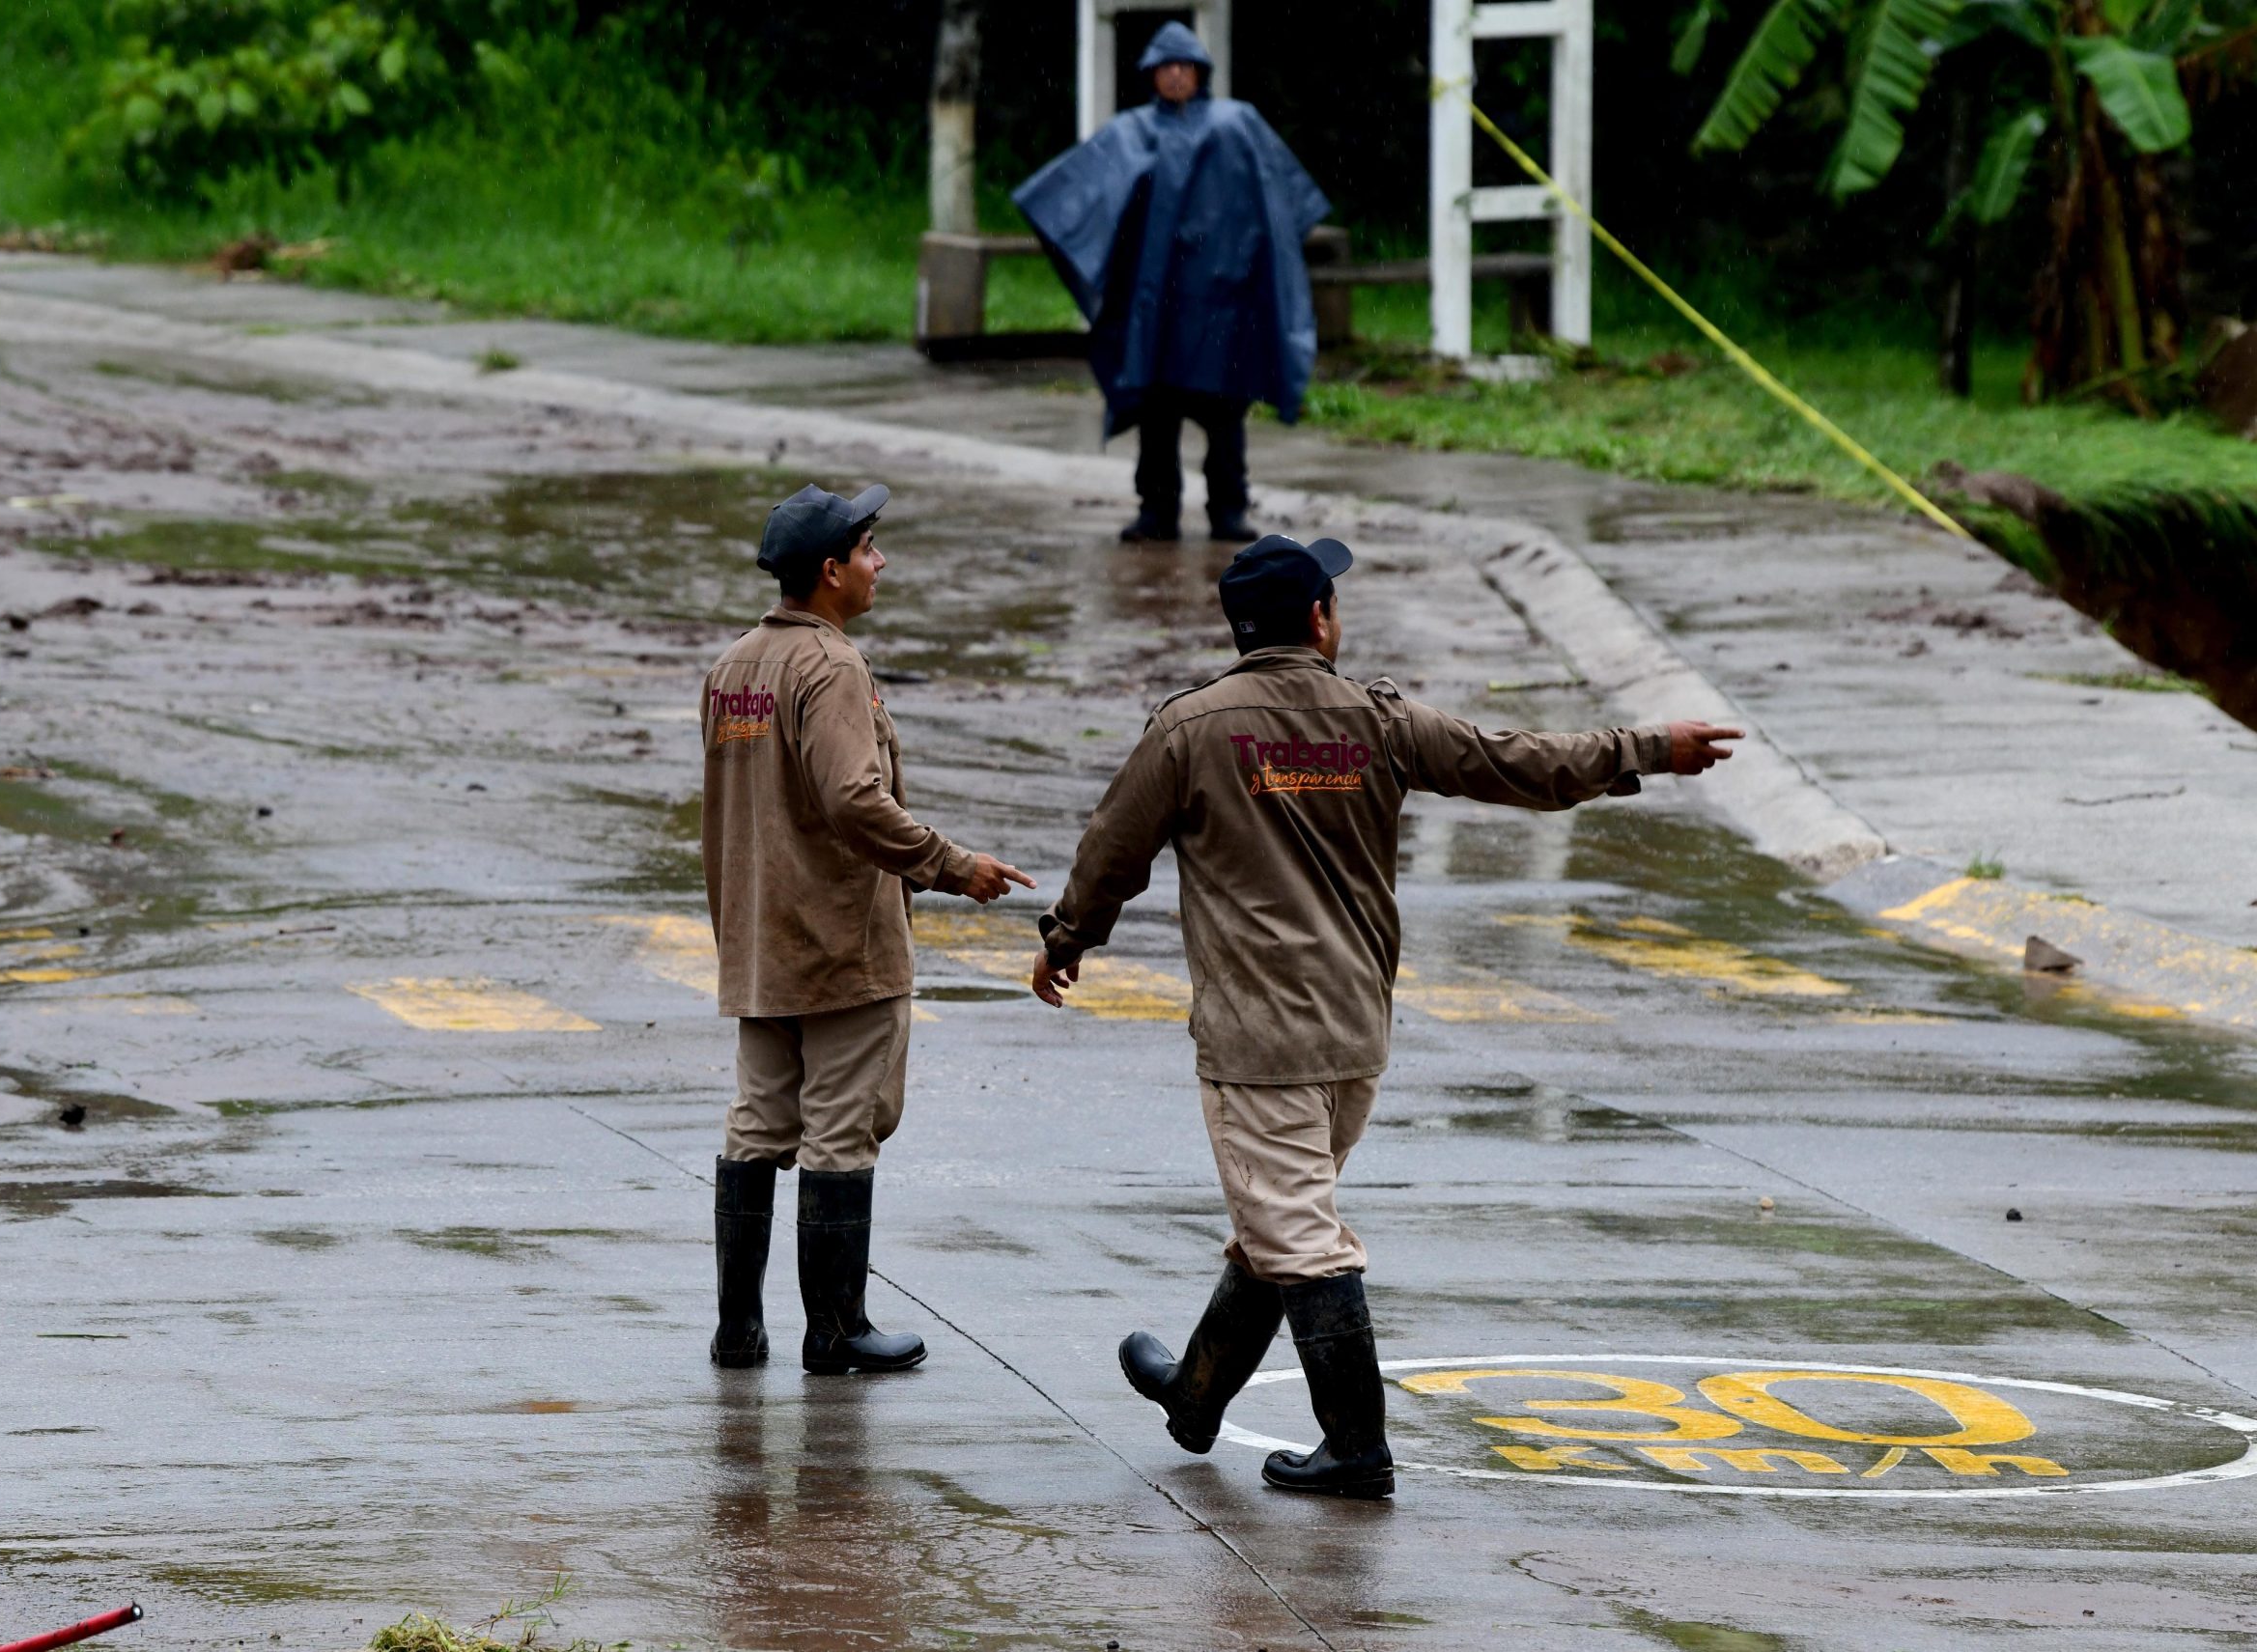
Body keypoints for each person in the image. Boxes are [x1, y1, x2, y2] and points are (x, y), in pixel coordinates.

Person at [1028, 535, 1743, 1496]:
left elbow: (1111, 849)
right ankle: (1196, 1393)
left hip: (1259, 1040)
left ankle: (1356, 1447)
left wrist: (1068, 937)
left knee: (1298, 1237)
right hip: (1355, 1035)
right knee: (1277, 1223)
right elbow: (1515, 762)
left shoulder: (1188, 730)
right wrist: (1649, 748)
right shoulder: (1375, 720)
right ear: (1318, 619)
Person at [700, 482, 1034, 1375]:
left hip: (760, 940)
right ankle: (836, 1329)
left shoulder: (735, 666)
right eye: (869, 548)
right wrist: (951, 864)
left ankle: (739, 1330)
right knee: (841, 1129)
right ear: (830, 570)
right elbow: (855, 798)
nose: (880, 563)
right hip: (840, 943)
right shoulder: (831, 668)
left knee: (757, 1124)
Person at [1013, 21, 1330, 545]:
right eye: (1166, 66)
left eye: (1185, 65)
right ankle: (1157, 512)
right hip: (1157, 304)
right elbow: (1081, 202)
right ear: (1151, 75)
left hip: (1225, 304)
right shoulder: (1130, 132)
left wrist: (1247, 261)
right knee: (1158, 418)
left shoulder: (1238, 126)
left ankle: (1228, 511)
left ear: (1201, 72)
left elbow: (1284, 206)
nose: (1176, 74)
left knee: (1226, 419)